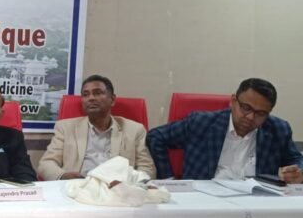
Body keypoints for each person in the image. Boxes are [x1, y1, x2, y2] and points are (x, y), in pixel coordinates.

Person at [147, 78, 303, 182]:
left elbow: (296, 159)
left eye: (260, 113)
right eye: (246, 108)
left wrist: (298, 172)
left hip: (256, 201)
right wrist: (168, 180)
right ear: (233, 101)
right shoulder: (201, 123)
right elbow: (155, 137)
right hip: (205, 200)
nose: (250, 117)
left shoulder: (278, 129)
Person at [38, 75, 156, 180]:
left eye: (98, 93)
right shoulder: (65, 128)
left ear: (112, 100)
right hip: (77, 188)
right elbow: (46, 163)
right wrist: (63, 176)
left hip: (118, 191)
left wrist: (128, 183)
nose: (91, 98)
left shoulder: (134, 130)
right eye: (85, 95)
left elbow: (147, 168)